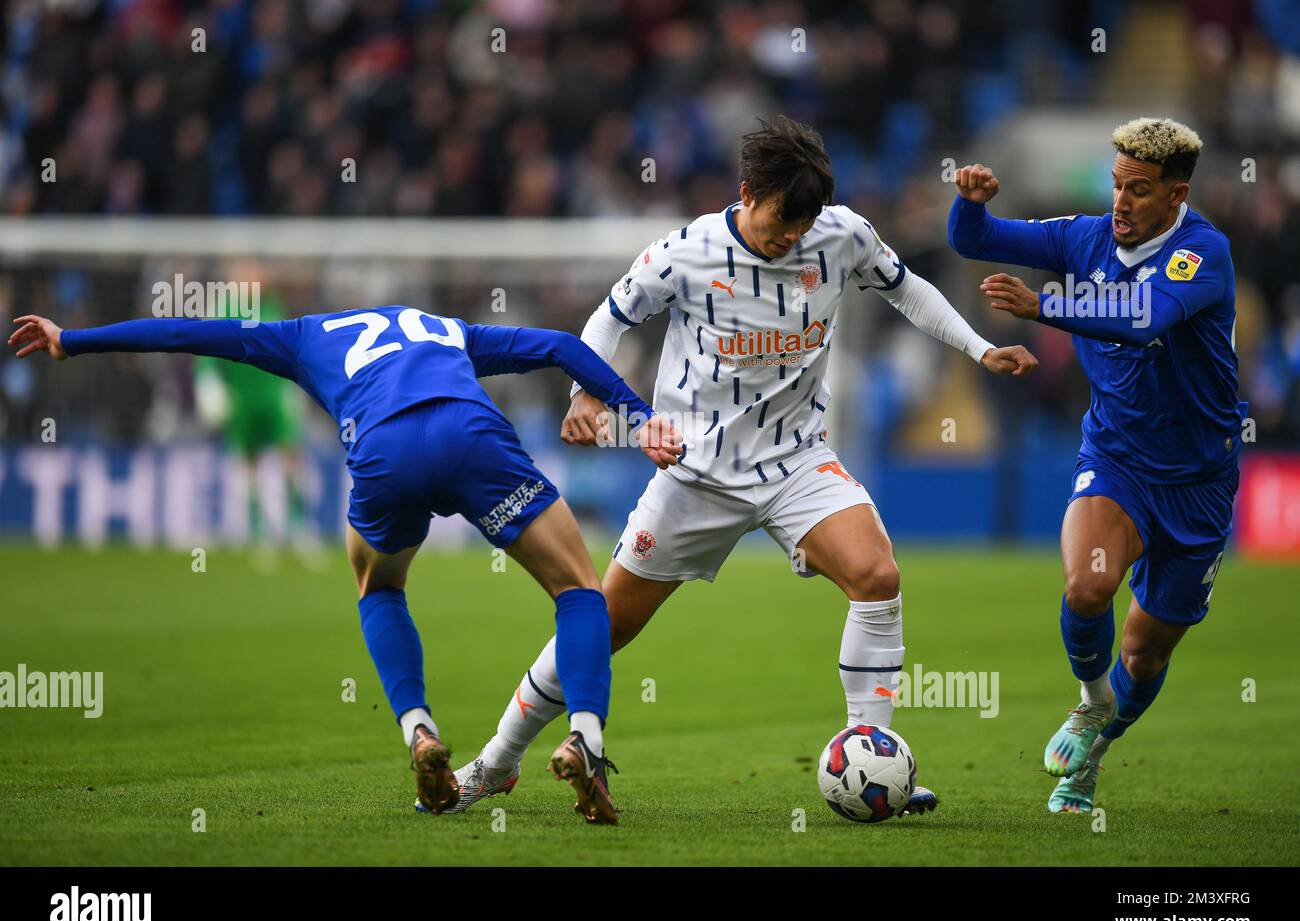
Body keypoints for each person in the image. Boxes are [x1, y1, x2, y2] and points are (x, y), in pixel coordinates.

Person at [449, 116, 1038, 815]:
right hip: (696, 475)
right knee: (602, 625)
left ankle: (872, 757)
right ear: (746, 193)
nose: (790, 236)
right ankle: (494, 762)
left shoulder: (842, 235)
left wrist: (978, 349)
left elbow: (906, 288)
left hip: (795, 462)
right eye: (779, 221)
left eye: (802, 223)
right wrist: (584, 393)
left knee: (877, 575)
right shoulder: (687, 252)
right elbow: (609, 319)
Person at [8, 306, 682, 825]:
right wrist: (640, 416)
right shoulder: (445, 329)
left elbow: (191, 332)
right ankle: (584, 739)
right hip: (470, 437)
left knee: (379, 584)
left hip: (383, 452)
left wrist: (76, 339)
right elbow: (562, 347)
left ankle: (418, 730)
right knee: (577, 589)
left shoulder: (304, 335)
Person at [948, 117, 1243, 812]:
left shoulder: (1203, 253)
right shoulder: (1085, 237)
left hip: (1199, 481)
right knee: (1087, 587)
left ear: (1176, 195)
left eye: (1138, 190)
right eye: (1116, 185)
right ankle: (1089, 704)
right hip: (1116, 458)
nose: (1121, 202)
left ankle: (1095, 754)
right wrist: (971, 201)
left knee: (1145, 652)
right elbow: (976, 241)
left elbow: (1144, 317)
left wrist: (1044, 304)